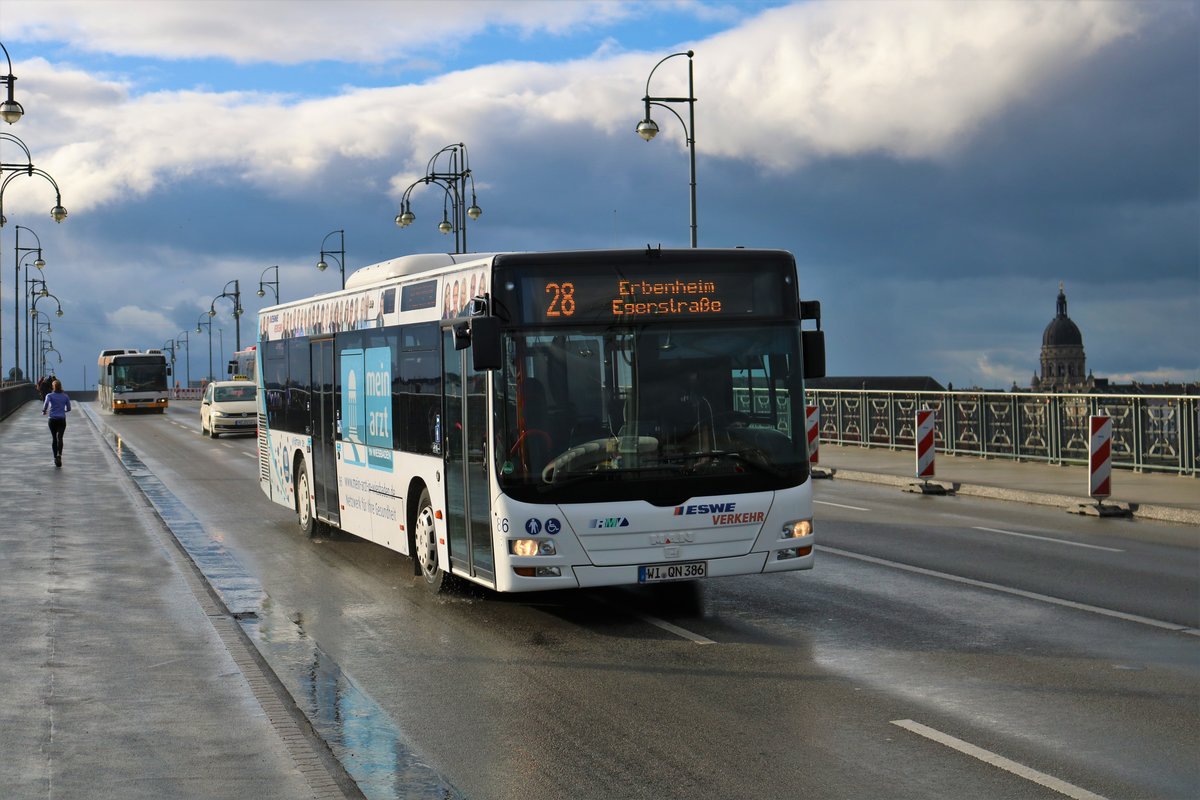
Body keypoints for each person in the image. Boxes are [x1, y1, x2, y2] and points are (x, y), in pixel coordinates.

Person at [42, 378, 72, 467]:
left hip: (52, 419)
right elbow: (69, 408)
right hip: (62, 419)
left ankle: (55, 457)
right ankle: (60, 455)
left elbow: (46, 404)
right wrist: (63, 411)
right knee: (60, 438)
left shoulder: (49, 396)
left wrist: (44, 411)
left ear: (53, 387)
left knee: (54, 438)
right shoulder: (65, 396)